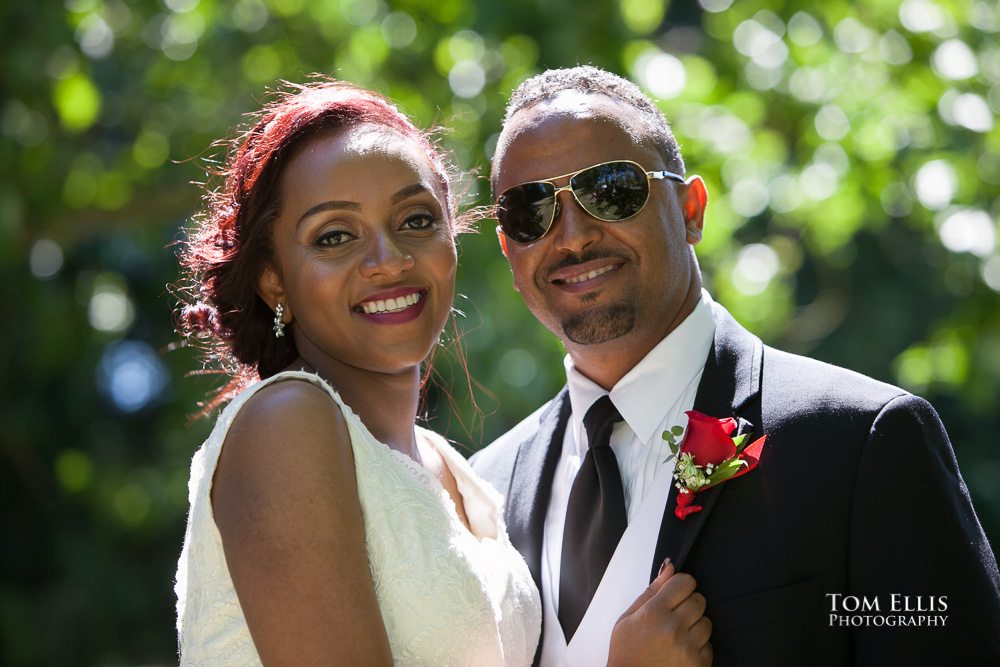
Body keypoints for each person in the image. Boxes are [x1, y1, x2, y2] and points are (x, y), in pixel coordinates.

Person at [470, 65, 1000, 666]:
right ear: (510, 251)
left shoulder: (862, 445)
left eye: (612, 190)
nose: (571, 236)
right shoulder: (483, 488)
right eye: (529, 210)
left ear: (692, 209)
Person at [173, 78, 712, 666]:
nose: (390, 261)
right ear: (273, 277)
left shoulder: (462, 475)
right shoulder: (285, 425)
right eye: (334, 236)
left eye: (415, 221)